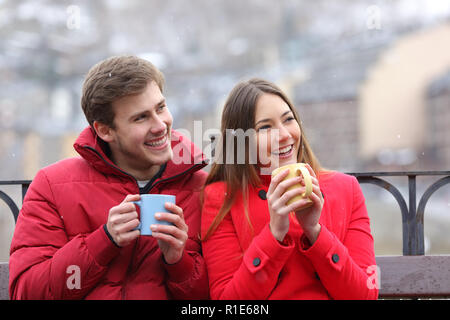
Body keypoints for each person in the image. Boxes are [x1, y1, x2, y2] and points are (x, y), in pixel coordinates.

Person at [9, 55, 209, 299]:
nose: (161, 125)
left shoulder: (203, 189)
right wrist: (103, 242)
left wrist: (179, 262)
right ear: (105, 130)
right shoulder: (52, 186)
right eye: (141, 117)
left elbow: (221, 297)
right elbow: (28, 293)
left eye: (161, 108)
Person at [201, 78, 379, 300]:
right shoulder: (222, 197)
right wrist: (274, 233)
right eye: (265, 127)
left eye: (288, 120)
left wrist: (314, 231)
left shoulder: (345, 189)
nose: (284, 135)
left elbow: (365, 295)